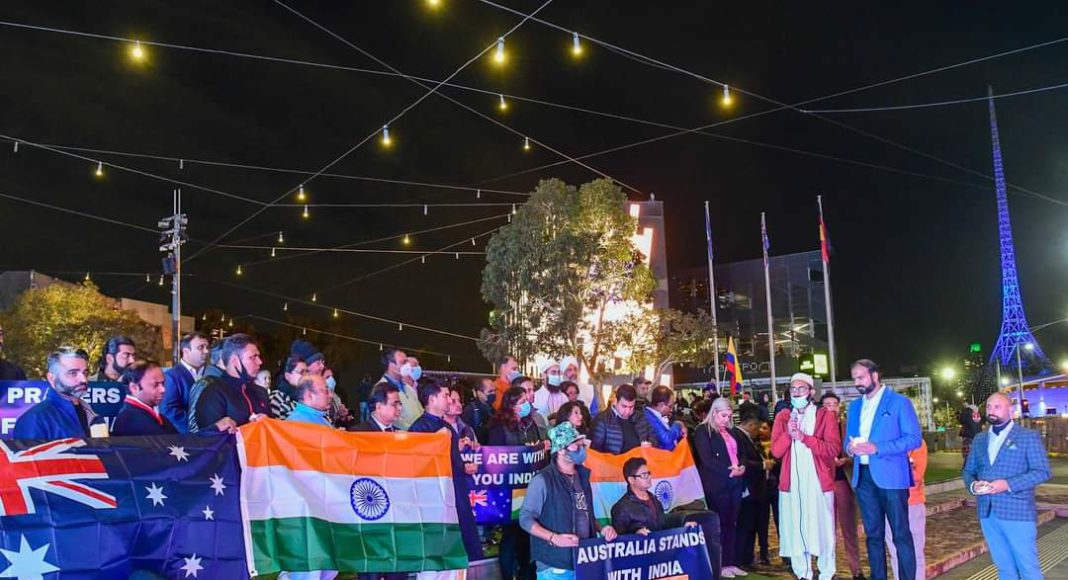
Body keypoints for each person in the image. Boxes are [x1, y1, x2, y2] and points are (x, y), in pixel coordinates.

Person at [845, 359, 922, 580]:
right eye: (854, 378)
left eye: (861, 377)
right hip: (863, 477)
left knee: (901, 535)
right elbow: (847, 440)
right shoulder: (854, 406)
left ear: (875, 375)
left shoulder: (899, 402)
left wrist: (877, 448)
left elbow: (913, 439)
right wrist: (850, 448)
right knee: (873, 536)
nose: (857, 382)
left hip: (892, 477)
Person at [962, 392, 1051, 580]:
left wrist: (1008, 484)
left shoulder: (1027, 437)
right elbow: (968, 471)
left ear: (1010, 410)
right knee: (1004, 568)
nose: (991, 411)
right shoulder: (980, 439)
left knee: (1028, 569)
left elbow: (1042, 471)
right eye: (988, 407)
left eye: (997, 406)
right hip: (987, 513)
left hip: (1017, 512)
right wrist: (973, 485)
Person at [520, 422, 618, 579]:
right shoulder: (543, 480)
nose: (580, 448)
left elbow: (583, 512)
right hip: (554, 563)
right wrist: (554, 538)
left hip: (583, 558)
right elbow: (525, 518)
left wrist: (602, 529)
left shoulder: (582, 476)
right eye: (575, 444)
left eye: (581, 443)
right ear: (560, 450)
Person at [771, 373, 841, 580]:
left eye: (801, 388)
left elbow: (832, 448)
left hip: (818, 482)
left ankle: (826, 572)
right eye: (793, 389)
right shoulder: (783, 416)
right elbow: (776, 451)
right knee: (795, 528)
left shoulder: (824, 415)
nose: (796, 393)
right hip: (791, 483)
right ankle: (802, 573)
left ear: (811, 391)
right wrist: (788, 433)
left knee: (823, 528)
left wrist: (804, 438)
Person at [408, 381, 483, 564]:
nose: (449, 400)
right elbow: (417, 465)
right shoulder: (419, 428)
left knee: (465, 534)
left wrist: (464, 467)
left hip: (456, 489)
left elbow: (453, 458)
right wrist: (436, 440)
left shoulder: (448, 427)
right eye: (446, 396)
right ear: (432, 399)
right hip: (434, 497)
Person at [489, 386, 543, 580]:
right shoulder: (499, 427)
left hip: (529, 489)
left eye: (527, 401)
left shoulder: (531, 425)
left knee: (527, 536)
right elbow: (495, 459)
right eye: (522, 402)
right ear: (511, 405)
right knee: (511, 537)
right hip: (509, 491)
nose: (527, 404)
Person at [692, 397, 747, 578]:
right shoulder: (703, 431)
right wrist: (728, 471)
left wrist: (742, 467)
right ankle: (720, 564)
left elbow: (742, 453)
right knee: (720, 525)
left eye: (729, 416)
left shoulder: (732, 431)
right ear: (714, 413)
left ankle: (731, 561)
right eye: (724, 416)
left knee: (733, 523)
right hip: (716, 484)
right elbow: (706, 459)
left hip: (735, 482)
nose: (726, 419)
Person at [821, 391, 865, 580]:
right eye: (827, 405)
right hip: (825, 483)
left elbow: (858, 451)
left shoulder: (848, 427)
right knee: (826, 530)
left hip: (844, 482)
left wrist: (846, 460)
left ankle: (857, 570)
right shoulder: (817, 428)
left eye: (834, 404)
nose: (831, 408)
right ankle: (827, 570)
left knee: (849, 530)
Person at [187, 333, 269, 434]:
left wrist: (268, 423)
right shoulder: (213, 393)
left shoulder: (260, 392)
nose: (260, 362)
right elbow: (205, 437)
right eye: (253, 357)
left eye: (258, 356)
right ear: (235, 360)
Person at [14, 347, 97, 439]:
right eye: (73, 373)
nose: (83, 379)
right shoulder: (35, 419)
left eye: (85, 373)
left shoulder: (91, 414)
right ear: (52, 378)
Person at [611, 457, 701, 535]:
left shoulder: (654, 500)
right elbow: (619, 540)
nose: (649, 477)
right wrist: (636, 534)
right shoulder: (621, 508)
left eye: (649, 473)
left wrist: (683, 527)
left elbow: (663, 525)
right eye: (644, 475)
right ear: (631, 480)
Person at [734, 409, 771, 569]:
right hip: (747, 488)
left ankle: (748, 557)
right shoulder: (738, 436)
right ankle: (743, 559)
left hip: (756, 489)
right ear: (752, 425)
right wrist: (762, 465)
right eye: (758, 428)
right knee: (746, 525)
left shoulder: (746, 438)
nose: (759, 432)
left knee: (752, 524)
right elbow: (741, 461)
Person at [887, 440, 927, 580]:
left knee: (915, 552)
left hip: (912, 504)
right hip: (889, 504)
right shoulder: (884, 443)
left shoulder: (917, 443)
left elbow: (916, 476)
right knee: (895, 552)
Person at [111, 359, 178, 436]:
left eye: (163, 383)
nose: (163, 389)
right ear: (134, 388)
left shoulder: (148, 415)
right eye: (155, 385)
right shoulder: (131, 419)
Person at [161, 331, 208, 434]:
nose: (206, 351)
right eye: (200, 347)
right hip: (188, 437)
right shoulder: (172, 377)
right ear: (186, 351)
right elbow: (169, 412)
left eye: (207, 347)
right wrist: (195, 434)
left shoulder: (210, 373)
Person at [590, 384, 653, 454]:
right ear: (615, 401)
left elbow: (652, 436)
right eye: (624, 406)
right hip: (613, 460)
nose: (627, 411)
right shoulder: (602, 420)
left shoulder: (640, 417)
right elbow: (595, 452)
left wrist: (650, 444)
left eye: (631, 407)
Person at [375, 348, 422, 429]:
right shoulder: (381, 388)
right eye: (403, 363)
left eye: (406, 362)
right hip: (402, 434)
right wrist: (414, 430)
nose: (407, 366)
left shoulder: (407, 387)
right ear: (391, 366)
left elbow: (420, 411)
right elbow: (392, 419)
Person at [644, 385, 687, 450]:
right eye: (670, 406)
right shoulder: (648, 416)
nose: (671, 410)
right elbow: (666, 440)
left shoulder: (658, 415)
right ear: (661, 404)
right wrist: (677, 424)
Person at [270, 355, 306, 420]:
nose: (306, 376)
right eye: (301, 372)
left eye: (307, 372)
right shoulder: (277, 397)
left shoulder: (305, 394)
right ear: (287, 376)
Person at [462, 377, 495, 442]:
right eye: (490, 391)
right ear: (479, 393)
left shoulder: (493, 409)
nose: (493, 394)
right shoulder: (470, 410)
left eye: (494, 391)